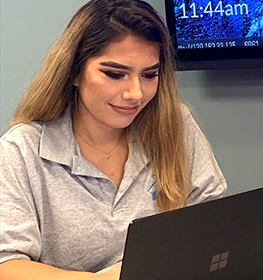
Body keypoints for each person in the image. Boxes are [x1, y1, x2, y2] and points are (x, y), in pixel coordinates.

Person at [0, 0, 227, 279]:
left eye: (149, 75)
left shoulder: (174, 123)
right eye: (114, 74)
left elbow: (212, 220)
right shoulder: (21, 149)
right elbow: (6, 264)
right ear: (73, 72)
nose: (135, 93)